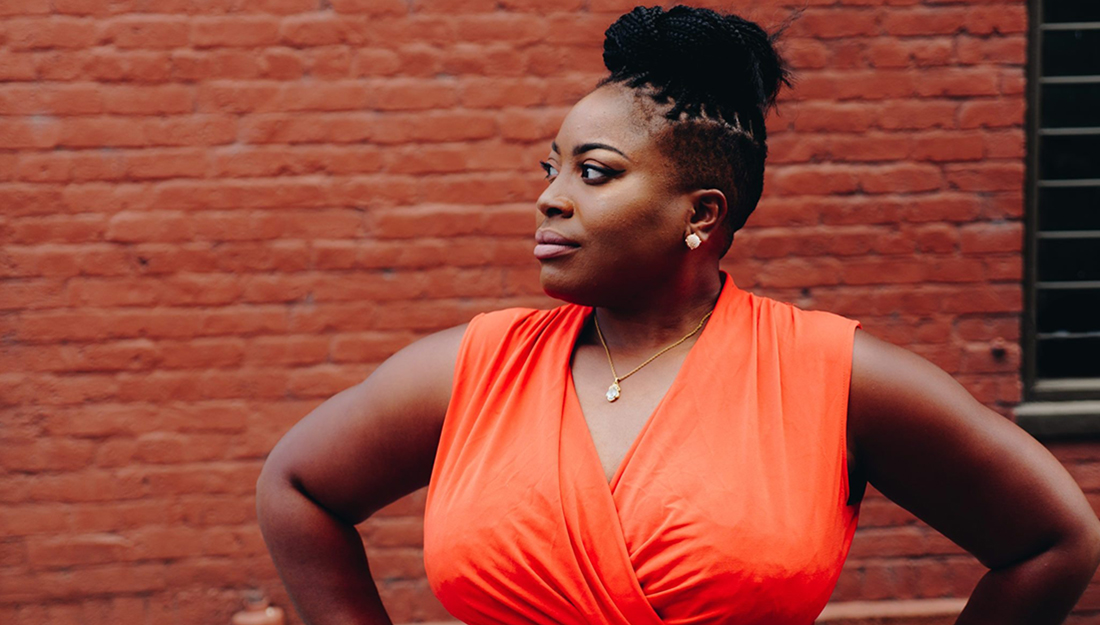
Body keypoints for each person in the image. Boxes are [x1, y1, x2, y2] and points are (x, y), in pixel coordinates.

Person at [255, 5, 1100, 625]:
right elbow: (296, 487)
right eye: (551, 169)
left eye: (594, 172)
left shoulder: (833, 378)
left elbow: (1053, 541)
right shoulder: (471, 368)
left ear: (701, 213)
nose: (548, 199)